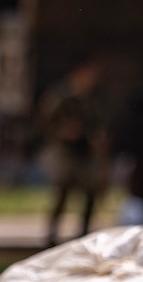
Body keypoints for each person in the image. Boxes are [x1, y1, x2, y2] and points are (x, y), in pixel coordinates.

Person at [38, 60, 109, 246]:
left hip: (85, 153)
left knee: (90, 193)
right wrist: (65, 131)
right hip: (66, 152)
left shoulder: (91, 100)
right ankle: (52, 236)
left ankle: (84, 233)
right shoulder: (61, 98)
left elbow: (98, 126)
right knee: (63, 192)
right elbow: (46, 122)